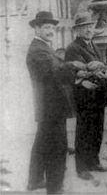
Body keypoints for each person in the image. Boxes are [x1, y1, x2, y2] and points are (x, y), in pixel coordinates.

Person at [26, 11, 73, 194]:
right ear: (37, 28)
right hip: (51, 108)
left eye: (53, 27)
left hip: (49, 107)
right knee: (57, 147)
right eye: (46, 27)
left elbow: (57, 69)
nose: (51, 31)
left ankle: (35, 180)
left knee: (42, 144)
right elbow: (55, 73)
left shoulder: (44, 47)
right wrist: (75, 68)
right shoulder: (38, 50)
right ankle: (55, 188)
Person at [65, 12, 107, 180]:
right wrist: (93, 73)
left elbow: (101, 66)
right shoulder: (73, 48)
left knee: (97, 129)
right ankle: (82, 167)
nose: (88, 30)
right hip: (85, 96)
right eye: (84, 27)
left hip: (98, 95)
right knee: (84, 130)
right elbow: (77, 71)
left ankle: (94, 161)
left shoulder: (94, 45)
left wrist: (104, 72)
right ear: (77, 30)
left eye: (90, 26)